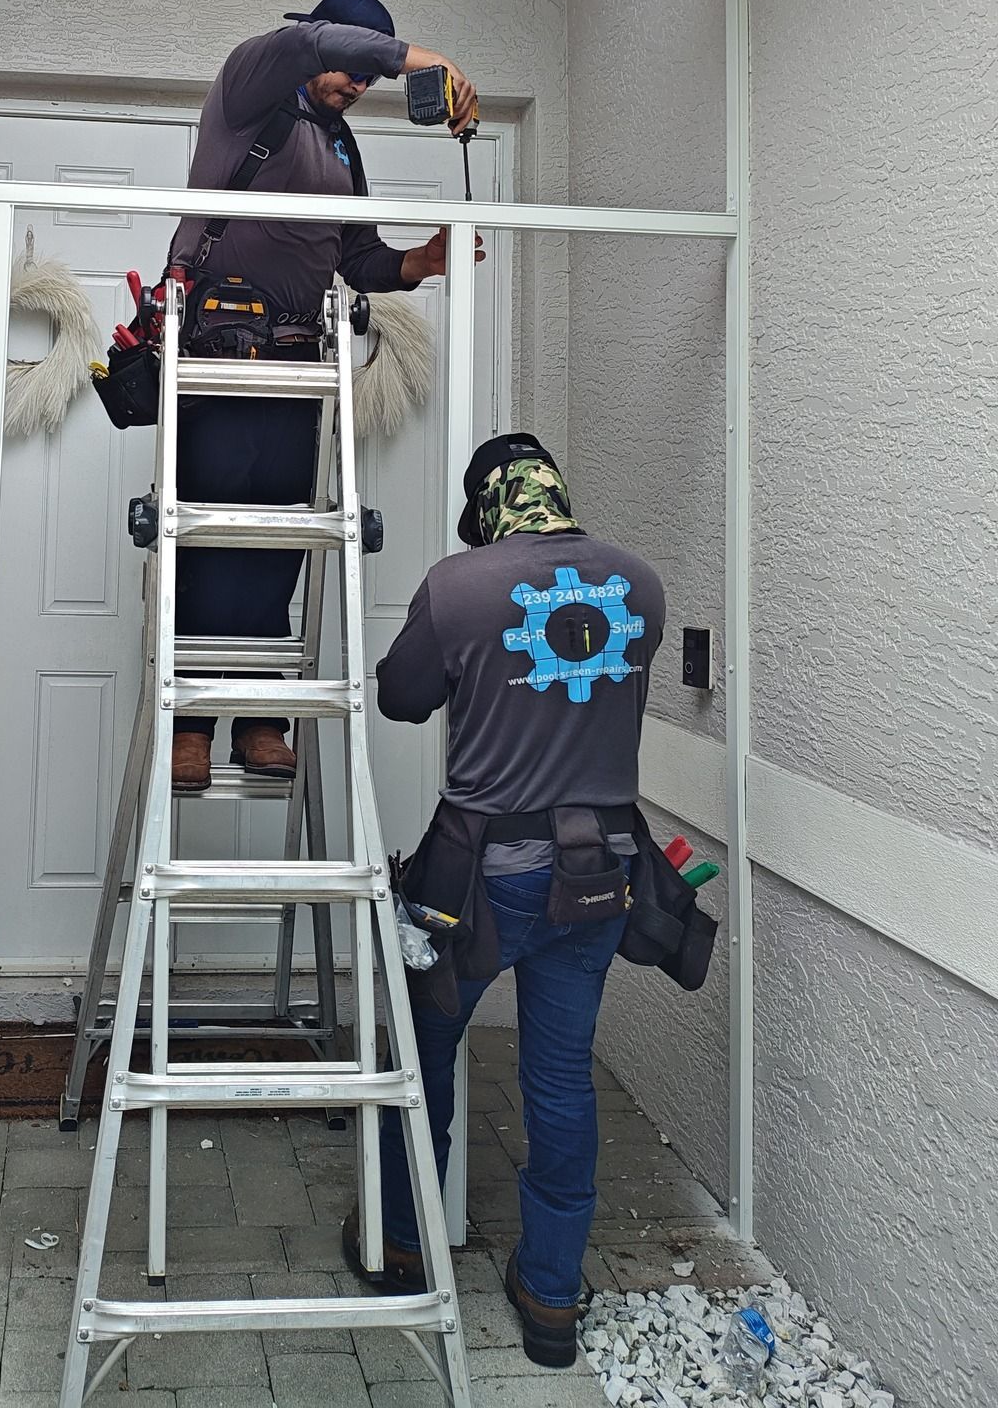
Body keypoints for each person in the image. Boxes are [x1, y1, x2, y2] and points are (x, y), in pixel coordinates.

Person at [343, 433, 665, 1370]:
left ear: (487, 502)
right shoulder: (639, 584)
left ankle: (405, 1246)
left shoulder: (460, 585)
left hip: (477, 881)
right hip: (599, 872)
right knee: (561, 1078)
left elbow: (400, 698)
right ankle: (551, 1297)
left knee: (425, 1050)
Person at [166, 0, 478, 792]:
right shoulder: (250, 87)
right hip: (223, 353)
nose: (357, 85)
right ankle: (192, 727)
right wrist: (423, 59)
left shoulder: (341, 148)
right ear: (320, 41)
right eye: (354, 67)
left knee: (281, 541)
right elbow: (315, 47)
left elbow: (359, 259)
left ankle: (262, 717)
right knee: (211, 538)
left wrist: (424, 261)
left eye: (367, 77)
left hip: (298, 360)